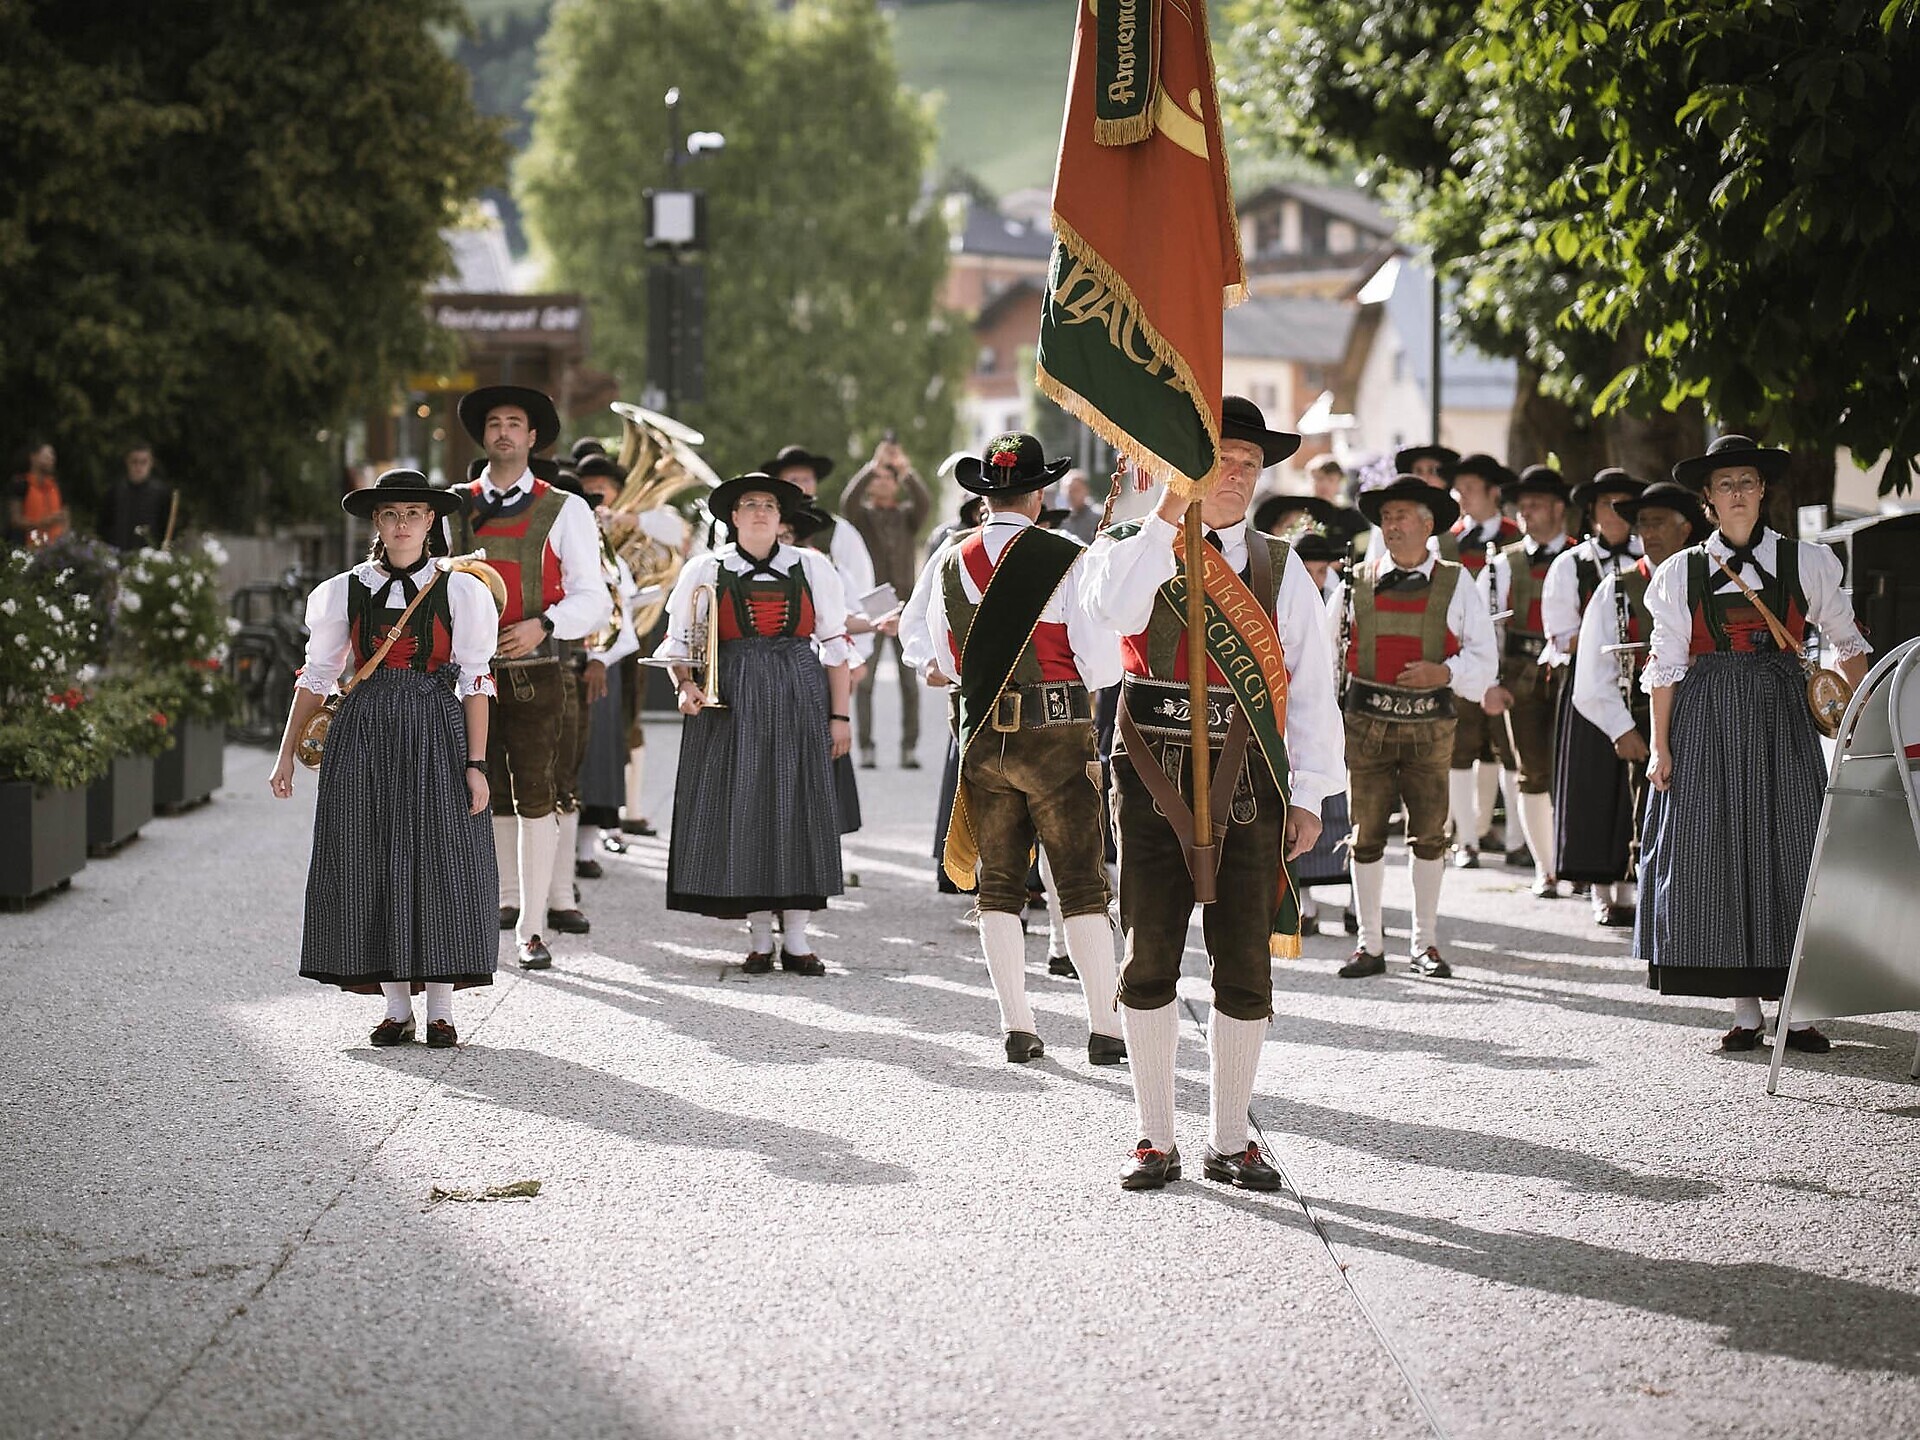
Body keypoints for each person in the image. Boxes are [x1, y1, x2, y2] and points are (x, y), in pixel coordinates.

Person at [1082, 396, 1345, 1192]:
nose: (1234, 475)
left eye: (1247, 465)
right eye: (1219, 459)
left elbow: (1308, 688)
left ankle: (1230, 1138)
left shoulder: (1278, 562)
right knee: (1150, 951)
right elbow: (1110, 613)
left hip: (1252, 776)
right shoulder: (1131, 541)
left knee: (1243, 961)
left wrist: (1313, 794)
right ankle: (1152, 1137)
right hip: (1153, 773)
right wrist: (1167, 508)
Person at [1637, 435, 1872, 1052]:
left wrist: (1867, 725)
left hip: (1782, 719)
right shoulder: (1680, 573)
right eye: (1724, 485)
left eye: (1747, 481)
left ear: (1763, 491)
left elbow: (1846, 644)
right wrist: (1660, 748)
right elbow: (1665, 667)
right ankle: (1745, 1011)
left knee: (1794, 849)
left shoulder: (1808, 562)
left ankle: (1796, 1012)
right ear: (1708, 501)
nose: (1737, 493)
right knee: (1717, 855)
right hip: (1707, 720)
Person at [914, 432, 1125, 1064]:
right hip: (1056, 734)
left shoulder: (949, 560)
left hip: (982, 736)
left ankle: (1018, 1025)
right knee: (1081, 883)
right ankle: (1104, 1027)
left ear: (987, 494)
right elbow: (1101, 667)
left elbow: (940, 654)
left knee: (999, 884)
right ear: (1038, 495)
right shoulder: (1068, 555)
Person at [270, 470, 501, 1047]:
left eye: (413, 514)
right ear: (377, 522)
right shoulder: (343, 590)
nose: (402, 523)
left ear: (431, 522)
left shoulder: (462, 591)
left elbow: (475, 681)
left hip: (434, 728)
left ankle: (442, 1008)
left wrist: (477, 765)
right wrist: (284, 757)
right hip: (363, 731)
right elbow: (318, 676)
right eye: (391, 514)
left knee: (441, 857)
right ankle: (397, 1009)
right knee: (368, 856)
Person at [656, 472, 854, 970]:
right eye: (750, 504)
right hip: (732, 697)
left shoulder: (812, 567)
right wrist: (685, 685)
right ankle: (761, 937)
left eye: (769, 504)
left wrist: (841, 716)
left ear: (781, 517)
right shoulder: (705, 568)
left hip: (798, 693)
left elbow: (835, 647)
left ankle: (799, 939)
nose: (761, 511)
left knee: (797, 804)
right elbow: (677, 641)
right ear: (734, 516)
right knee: (742, 808)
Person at [448, 385, 612, 971]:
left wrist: (544, 624)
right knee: (476, 790)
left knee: (537, 794)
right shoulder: (450, 506)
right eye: (494, 423)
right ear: (483, 436)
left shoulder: (566, 507)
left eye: (514, 423)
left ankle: (533, 925)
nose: (503, 432)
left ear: (532, 437)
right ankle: (499, 903)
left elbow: (595, 597)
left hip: (537, 670)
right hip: (465, 677)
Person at [1334, 476, 1496, 979]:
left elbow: (1484, 660)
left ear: (1429, 525)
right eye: (1386, 517)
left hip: (1430, 725)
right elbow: (1322, 660)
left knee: (1430, 834)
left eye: (1402, 516)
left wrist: (1443, 673)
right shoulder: (1352, 581)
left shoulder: (1456, 580)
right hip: (1364, 725)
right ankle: (1369, 944)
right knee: (1365, 835)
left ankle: (1425, 944)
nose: (1392, 525)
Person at [1569, 481, 1706, 929]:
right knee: (1644, 819)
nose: (1648, 532)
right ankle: (1654, 911)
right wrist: (1621, 728)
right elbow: (1590, 672)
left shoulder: (1709, 579)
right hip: (1641, 721)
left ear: (1686, 528)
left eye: (1659, 522)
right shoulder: (1619, 588)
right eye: (1643, 523)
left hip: (1707, 716)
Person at [1545, 467, 1647, 923]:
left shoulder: (1651, 562)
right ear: (1592, 511)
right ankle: (1600, 888)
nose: (1617, 514)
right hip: (1589, 684)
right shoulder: (1571, 564)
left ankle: (1631, 882)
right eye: (1609, 504)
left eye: (1626, 505)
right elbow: (1560, 634)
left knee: (1633, 787)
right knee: (1594, 787)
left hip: (1642, 686)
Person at [1483, 465, 1574, 895]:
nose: (1525, 515)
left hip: (1571, 672)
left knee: (1575, 766)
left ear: (1559, 508)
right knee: (1530, 771)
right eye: (1522, 508)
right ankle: (1546, 868)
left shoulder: (1583, 558)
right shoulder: (1501, 565)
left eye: (1535, 506)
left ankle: (1579, 861)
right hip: (1520, 675)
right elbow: (1486, 631)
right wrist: (1490, 682)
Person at [1440, 453, 1522, 867]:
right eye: (1458, 489)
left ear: (1494, 492)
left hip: (1510, 658)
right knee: (1461, 746)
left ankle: (1510, 837)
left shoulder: (1516, 539)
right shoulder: (1446, 541)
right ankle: (1465, 838)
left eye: (1470, 489)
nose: (1461, 497)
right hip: (1459, 657)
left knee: (1506, 747)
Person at [842, 435, 932, 769]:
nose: (882, 482)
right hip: (873, 602)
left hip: (905, 602)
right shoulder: (862, 517)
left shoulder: (907, 516)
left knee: (910, 681)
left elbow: (924, 502)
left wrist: (905, 471)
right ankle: (866, 747)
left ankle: (909, 748)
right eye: (877, 479)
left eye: (887, 478)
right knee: (866, 680)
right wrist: (872, 467)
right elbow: (847, 501)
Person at [98, 442, 176, 551]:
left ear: (151, 463)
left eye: (143, 462)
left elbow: (166, 527)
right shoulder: (115, 491)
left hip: (150, 556)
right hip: (118, 554)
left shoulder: (161, 493)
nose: (138, 467)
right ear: (127, 462)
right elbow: (104, 526)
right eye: (134, 462)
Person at [9, 441, 68, 548]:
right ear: (33, 457)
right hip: (28, 547)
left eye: (53, 456)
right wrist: (40, 524)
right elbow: (15, 520)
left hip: (56, 550)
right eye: (46, 456)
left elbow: (65, 517)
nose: (51, 459)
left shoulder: (57, 486)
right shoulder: (22, 485)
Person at [1058, 469, 1102, 543]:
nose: (1071, 495)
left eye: (1076, 490)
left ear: (1086, 490)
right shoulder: (1059, 520)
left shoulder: (1098, 518)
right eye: (1068, 490)